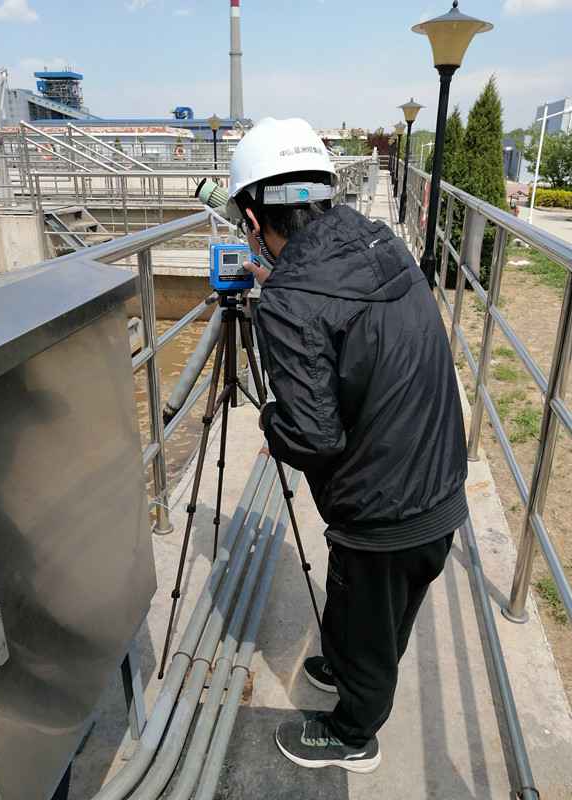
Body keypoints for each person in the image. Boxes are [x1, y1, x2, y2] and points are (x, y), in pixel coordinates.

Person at [228, 118, 469, 775]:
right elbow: (350, 326)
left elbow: (311, 436)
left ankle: (354, 734)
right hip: (439, 481)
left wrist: (269, 421)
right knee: (382, 614)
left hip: (383, 514)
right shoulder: (379, 240)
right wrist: (285, 284)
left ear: (252, 217)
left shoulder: (290, 299)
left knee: (369, 611)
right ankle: (348, 661)